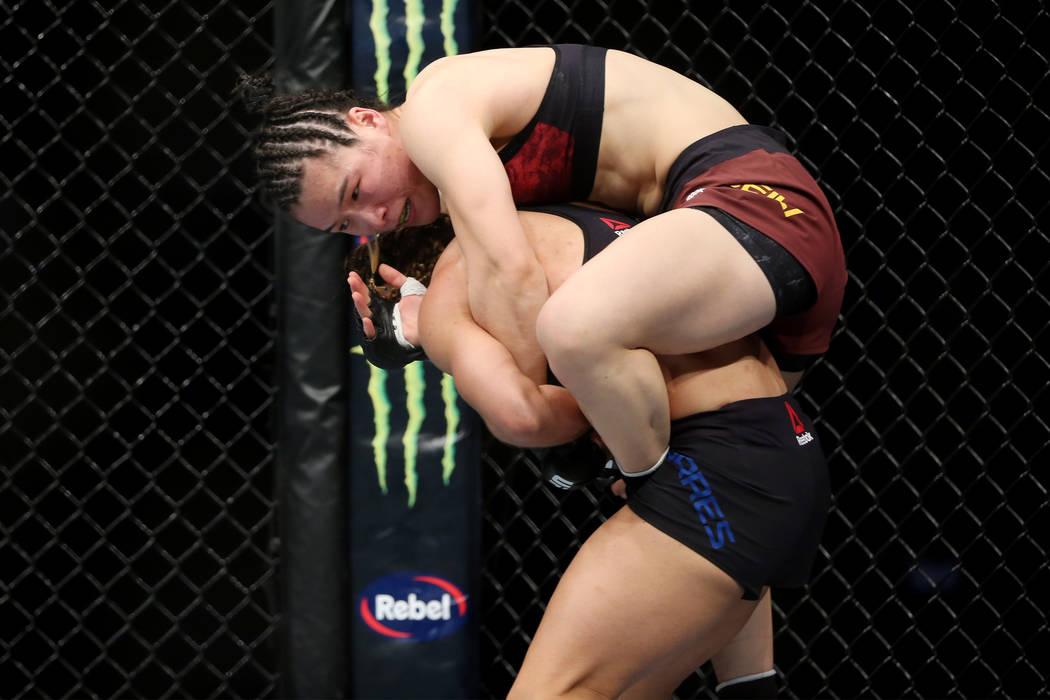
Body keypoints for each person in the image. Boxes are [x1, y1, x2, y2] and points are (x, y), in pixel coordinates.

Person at [239, 43, 846, 479]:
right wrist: (424, 327)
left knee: (574, 334)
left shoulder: (434, 110)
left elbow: (514, 276)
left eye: (355, 191)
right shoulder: (452, 189)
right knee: (720, 496)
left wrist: (450, 341)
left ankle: (640, 470)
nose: (371, 220)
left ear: (367, 120)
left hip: (759, 209)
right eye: (346, 224)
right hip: (733, 279)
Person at [346, 204, 829, 698]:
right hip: (776, 447)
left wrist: (428, 326)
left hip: (718, 472)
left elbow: (526, 415)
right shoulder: (575, 220)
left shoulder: (460, 272)